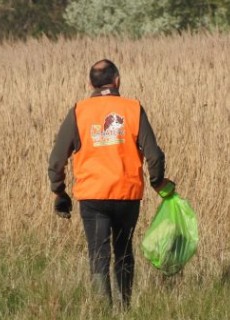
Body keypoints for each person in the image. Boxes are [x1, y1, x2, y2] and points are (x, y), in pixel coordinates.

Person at [47, 59, 175, 308]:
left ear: (89, 84)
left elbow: (56, 160)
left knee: (99, 253)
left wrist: (59, 191)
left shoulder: (79, 111)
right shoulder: (133, 109)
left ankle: (102, 310)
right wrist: (158, 182)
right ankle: (124, 308)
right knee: (124, 251)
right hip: (127, 196)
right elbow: (154, 155)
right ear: (117, 80)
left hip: (93, 197)